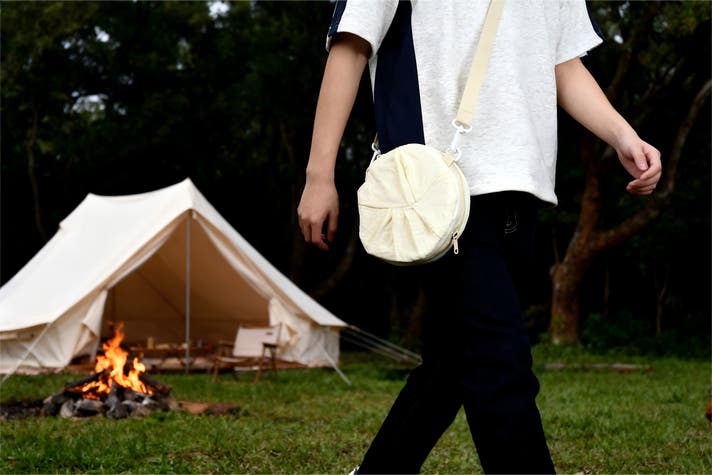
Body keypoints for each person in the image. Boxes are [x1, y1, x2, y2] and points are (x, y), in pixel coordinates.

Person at [297, 1, 662, 474]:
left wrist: (623, 135)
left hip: (522, 191)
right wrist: (319, 174)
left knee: (450, 368)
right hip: (440, 192)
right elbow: (352, 42)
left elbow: (562, 64)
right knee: (500, 369)